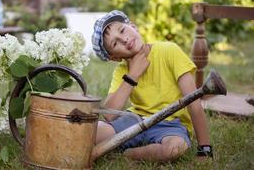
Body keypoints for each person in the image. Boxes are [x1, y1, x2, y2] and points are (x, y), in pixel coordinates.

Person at [91, 10, 213, 162]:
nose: (124, 39)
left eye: (122, 30)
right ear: (114, 57)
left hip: (171, 125)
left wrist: (205, 148)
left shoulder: (169, 51)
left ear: (133, 26)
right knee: (90, 132)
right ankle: (128, 145)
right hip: (135, 121)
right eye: (115, 43)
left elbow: (193, 102)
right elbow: (109, 114)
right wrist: (132, 75)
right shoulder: (121, 70)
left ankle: (128, 153)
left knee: (174, 148)